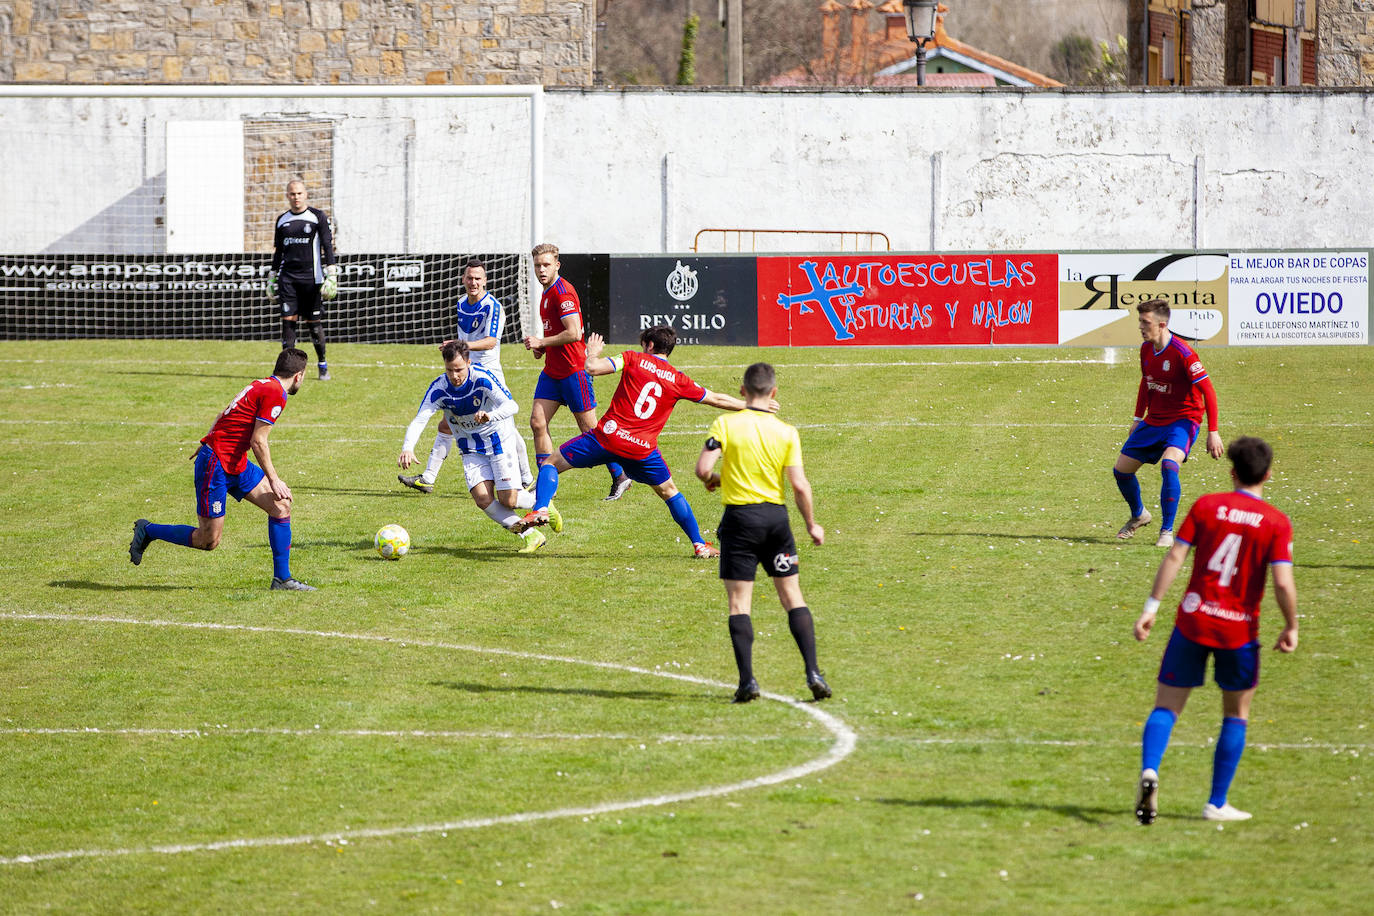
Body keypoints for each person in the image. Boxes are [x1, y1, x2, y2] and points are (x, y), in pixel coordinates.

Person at [1132, 435, 1297, 825]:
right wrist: (1291, 624)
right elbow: (1284, 583)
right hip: (1238, 632)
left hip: (1193, 620)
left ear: (1232, 471)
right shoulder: (1275, 522)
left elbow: (1175, 555)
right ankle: (1216, 802)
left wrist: (1151, 608)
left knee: (1166, 707)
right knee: (1235, 715)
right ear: (1268, 475)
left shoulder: (1207, 506)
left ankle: (1151, 770)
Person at [519, 326, 753, 559]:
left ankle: (541, 507)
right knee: (670, 492)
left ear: (649, 345)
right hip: (642, 450)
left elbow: (591, 368)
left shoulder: (633, 358)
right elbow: (716, 398)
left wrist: (592, 351)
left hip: (608, 437)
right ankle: (699, 545)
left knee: (551, 462)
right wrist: (750, 406)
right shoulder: (679, 380)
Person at [694, 361, 830, 704]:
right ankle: (813, 672)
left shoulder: (726, 424)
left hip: (740, 521)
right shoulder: (786, 431)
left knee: (739, 604)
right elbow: (799, 485)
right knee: (793, 598)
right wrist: (811, 524)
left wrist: (716, 480)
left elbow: (703, 469)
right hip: (776, 521)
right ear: (773, 393)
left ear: (742, 391)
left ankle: (748, 682)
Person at [128, 348, 315, 590]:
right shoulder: (276, 394)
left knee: (281, 506)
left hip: (234, 461)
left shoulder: (262, 384)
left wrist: (208, 439)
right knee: (208, 541)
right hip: (216, 465)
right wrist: (274, 479)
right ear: (299, 375)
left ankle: (282, 579)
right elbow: (258, 441)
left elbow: (223, 413)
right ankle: (149, 530)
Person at [399, 340, 557, 554]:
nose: (454, 376)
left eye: (459, 369)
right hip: (470, 448)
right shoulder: (439, 388)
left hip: (498, 441)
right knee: (482, 498)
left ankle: (544, 504)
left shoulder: (481, 378)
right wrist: (408, 447)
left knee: (508, 499)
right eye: (449, 370)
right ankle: (531, 535)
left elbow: (512, 405)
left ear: (468, 362)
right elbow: (420, 419)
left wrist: (490, 415)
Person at [399, 258, 534, 493]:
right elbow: (464, 342)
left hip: (487, 374)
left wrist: (462, 346)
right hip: (464, 369)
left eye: (478, 278)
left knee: (505, 424)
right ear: (463, 279)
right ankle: (428, 478)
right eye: (470, 278)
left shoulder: (493, 306)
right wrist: (458, 355)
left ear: (485, 281)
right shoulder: (461, 303)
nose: (473, 282)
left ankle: (525, 477)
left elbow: (491, 342)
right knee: (447, 421)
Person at [522, 242, 632, 501]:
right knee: (537, 422)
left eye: (546, 264)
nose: (541, 269)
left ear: (557, 265)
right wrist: (544, 349)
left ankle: (621, 475)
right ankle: (545, 483)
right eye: (537, 265)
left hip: (574, 373)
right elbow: (557, 332)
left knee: (591, 432)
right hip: (553, 372)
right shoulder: (546, 292)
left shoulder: (563, 292)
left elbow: (574, 332)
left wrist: (542, 342)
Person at [1112, 298, 1224, 548]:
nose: (1140, 326)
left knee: (1169, 463)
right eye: (1140, 321)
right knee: (1121, 471)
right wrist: (1137, 418)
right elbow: (1146, 382)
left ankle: (1166, 531)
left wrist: (1213, 432)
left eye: (1145, 322)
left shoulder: (1183, 353)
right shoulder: (1145, 349)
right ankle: (1139, 515)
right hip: (1154, 420)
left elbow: (1209, 391)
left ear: (1162, 324)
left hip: (1183, 420)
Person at [270, 179, 337, 381]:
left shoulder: (317, 217)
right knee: (288, 325)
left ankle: (322, 364)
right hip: (288, 279)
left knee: (313, 325)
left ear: (305, 194)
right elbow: (279, 252)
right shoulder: (282, 220)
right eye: (292, 194)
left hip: (312, 280)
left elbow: (327, 245)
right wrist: (272, 277)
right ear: (287, 196)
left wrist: (331, 272)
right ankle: (287, 373)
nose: (296, 197)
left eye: (299, 193)